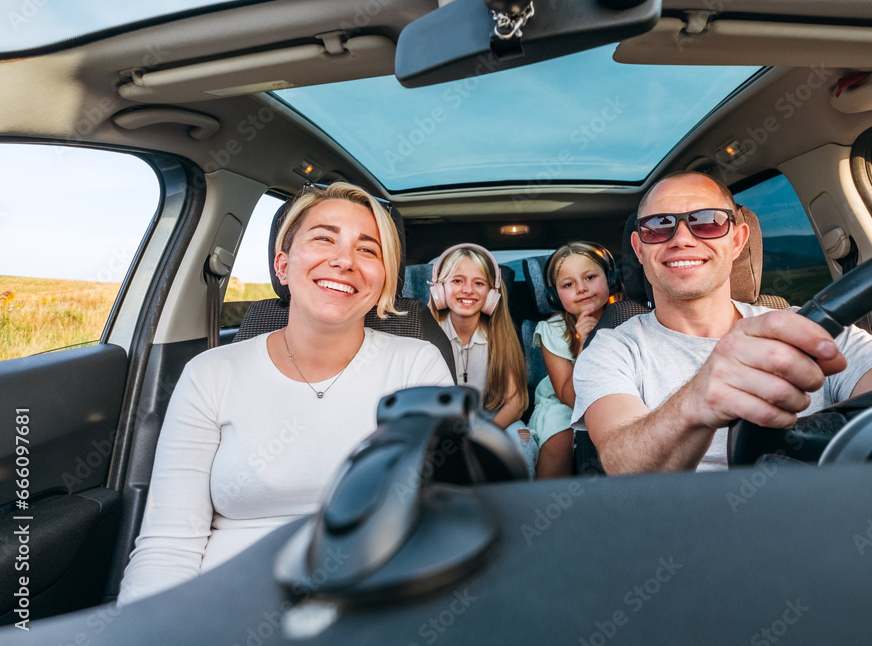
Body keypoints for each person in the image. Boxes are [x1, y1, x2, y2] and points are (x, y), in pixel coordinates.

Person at [118, 183, 453, 604]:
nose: (344, 260)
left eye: (369, 250)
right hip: (223, 606)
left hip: (369, 600)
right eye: (324, 238)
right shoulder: (210, 373)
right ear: (282, 264)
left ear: (385, 278)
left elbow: (436, 521)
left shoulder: (417, 365)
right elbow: (168, 547)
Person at [572, 171, 872, 474]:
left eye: (706, 222)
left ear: (737, 242)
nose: (682, 239)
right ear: (640, 250)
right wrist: (695, 401)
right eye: (659, 226)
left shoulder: (805, 329)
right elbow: (623, 463)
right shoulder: (612, 347)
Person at [427, 243, 536, 476]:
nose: (468, 290)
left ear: (492, 294)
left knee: (521, 441)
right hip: (442, 424)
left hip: (491, 419)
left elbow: (515, 403)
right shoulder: (427, 335)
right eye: (457, 281)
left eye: (479, 283)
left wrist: (481, 438)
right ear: (439, 289)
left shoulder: (499, 336)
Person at [528, 242, 620, 479]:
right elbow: (569, 399)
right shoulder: (552, 330)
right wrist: (584, 345)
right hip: (564, 404)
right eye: (568, 284)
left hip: (617, 395)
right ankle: (545, 499)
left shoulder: (629, 318)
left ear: (610, 280)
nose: (581, 289)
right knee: (559, 433)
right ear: (554, 296)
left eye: (590, 277)